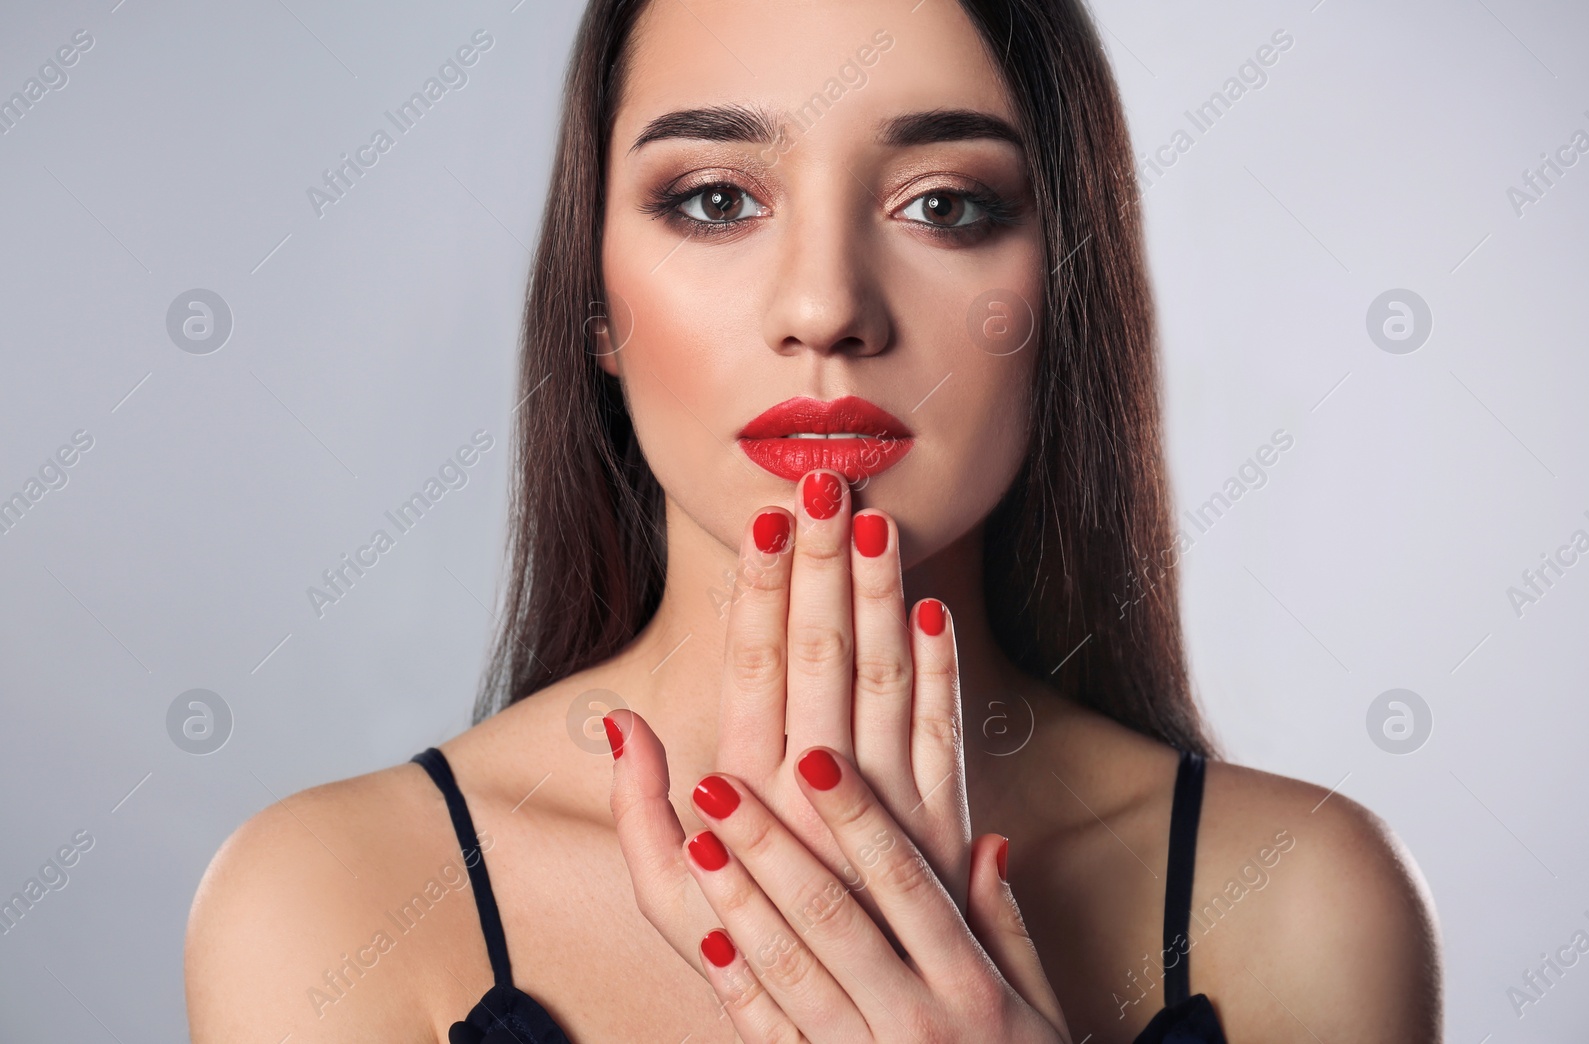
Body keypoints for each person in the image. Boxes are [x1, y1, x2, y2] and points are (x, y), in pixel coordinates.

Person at [185, 0, 1443, 1040]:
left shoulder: (1304, 900)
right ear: (599, 313)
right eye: (717, 200)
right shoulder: (332, 901)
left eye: (945, 203)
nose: (826, 306)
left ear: (1063, 295)